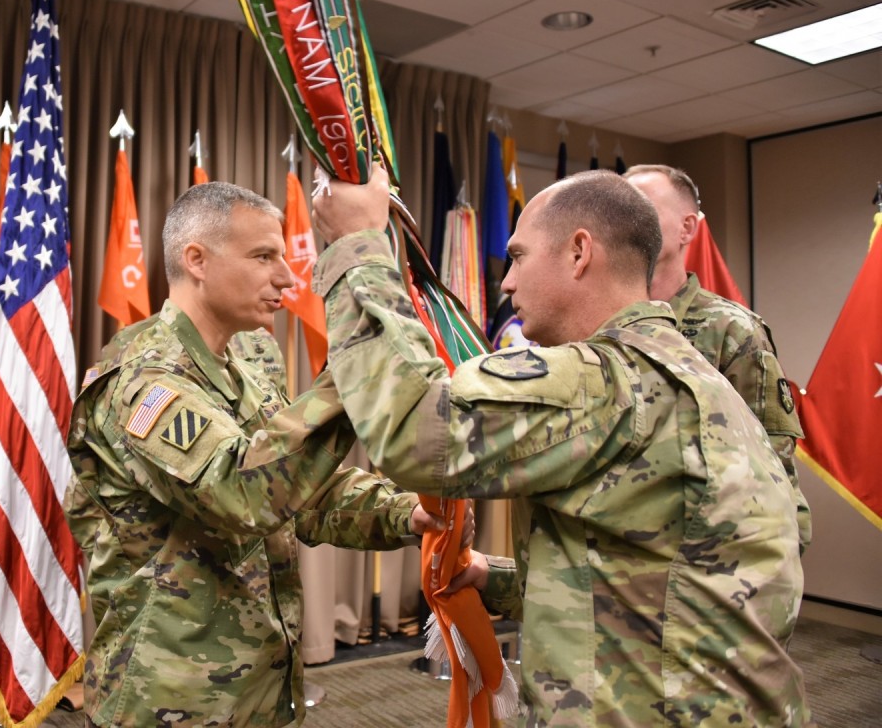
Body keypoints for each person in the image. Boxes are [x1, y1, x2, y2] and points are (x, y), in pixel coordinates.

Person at [309, 167, 812, 726]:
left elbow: (414, 435)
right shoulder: (693, 373)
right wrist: (494, 580)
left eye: (518, 257)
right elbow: (659, 572)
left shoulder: (605, 381)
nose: (505, 283)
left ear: (578, 253)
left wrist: (355, 246)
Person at [66, 180, 437, 728]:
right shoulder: (142, 379)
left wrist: (410, 514)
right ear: (197, 260)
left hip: (262, 688)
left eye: (283, 258)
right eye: (264, 257)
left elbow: (301, 492)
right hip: (171, 700)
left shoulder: (253, 357)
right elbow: (243, 493)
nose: (287, 279)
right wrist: (360, 372)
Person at [623, 163, 811, 553]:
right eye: (621, 210)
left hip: (706, 564)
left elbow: (772, 470)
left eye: (643, 210)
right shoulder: (600, 326)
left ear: (687, 228)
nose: (627, 222)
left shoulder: (731, 331)